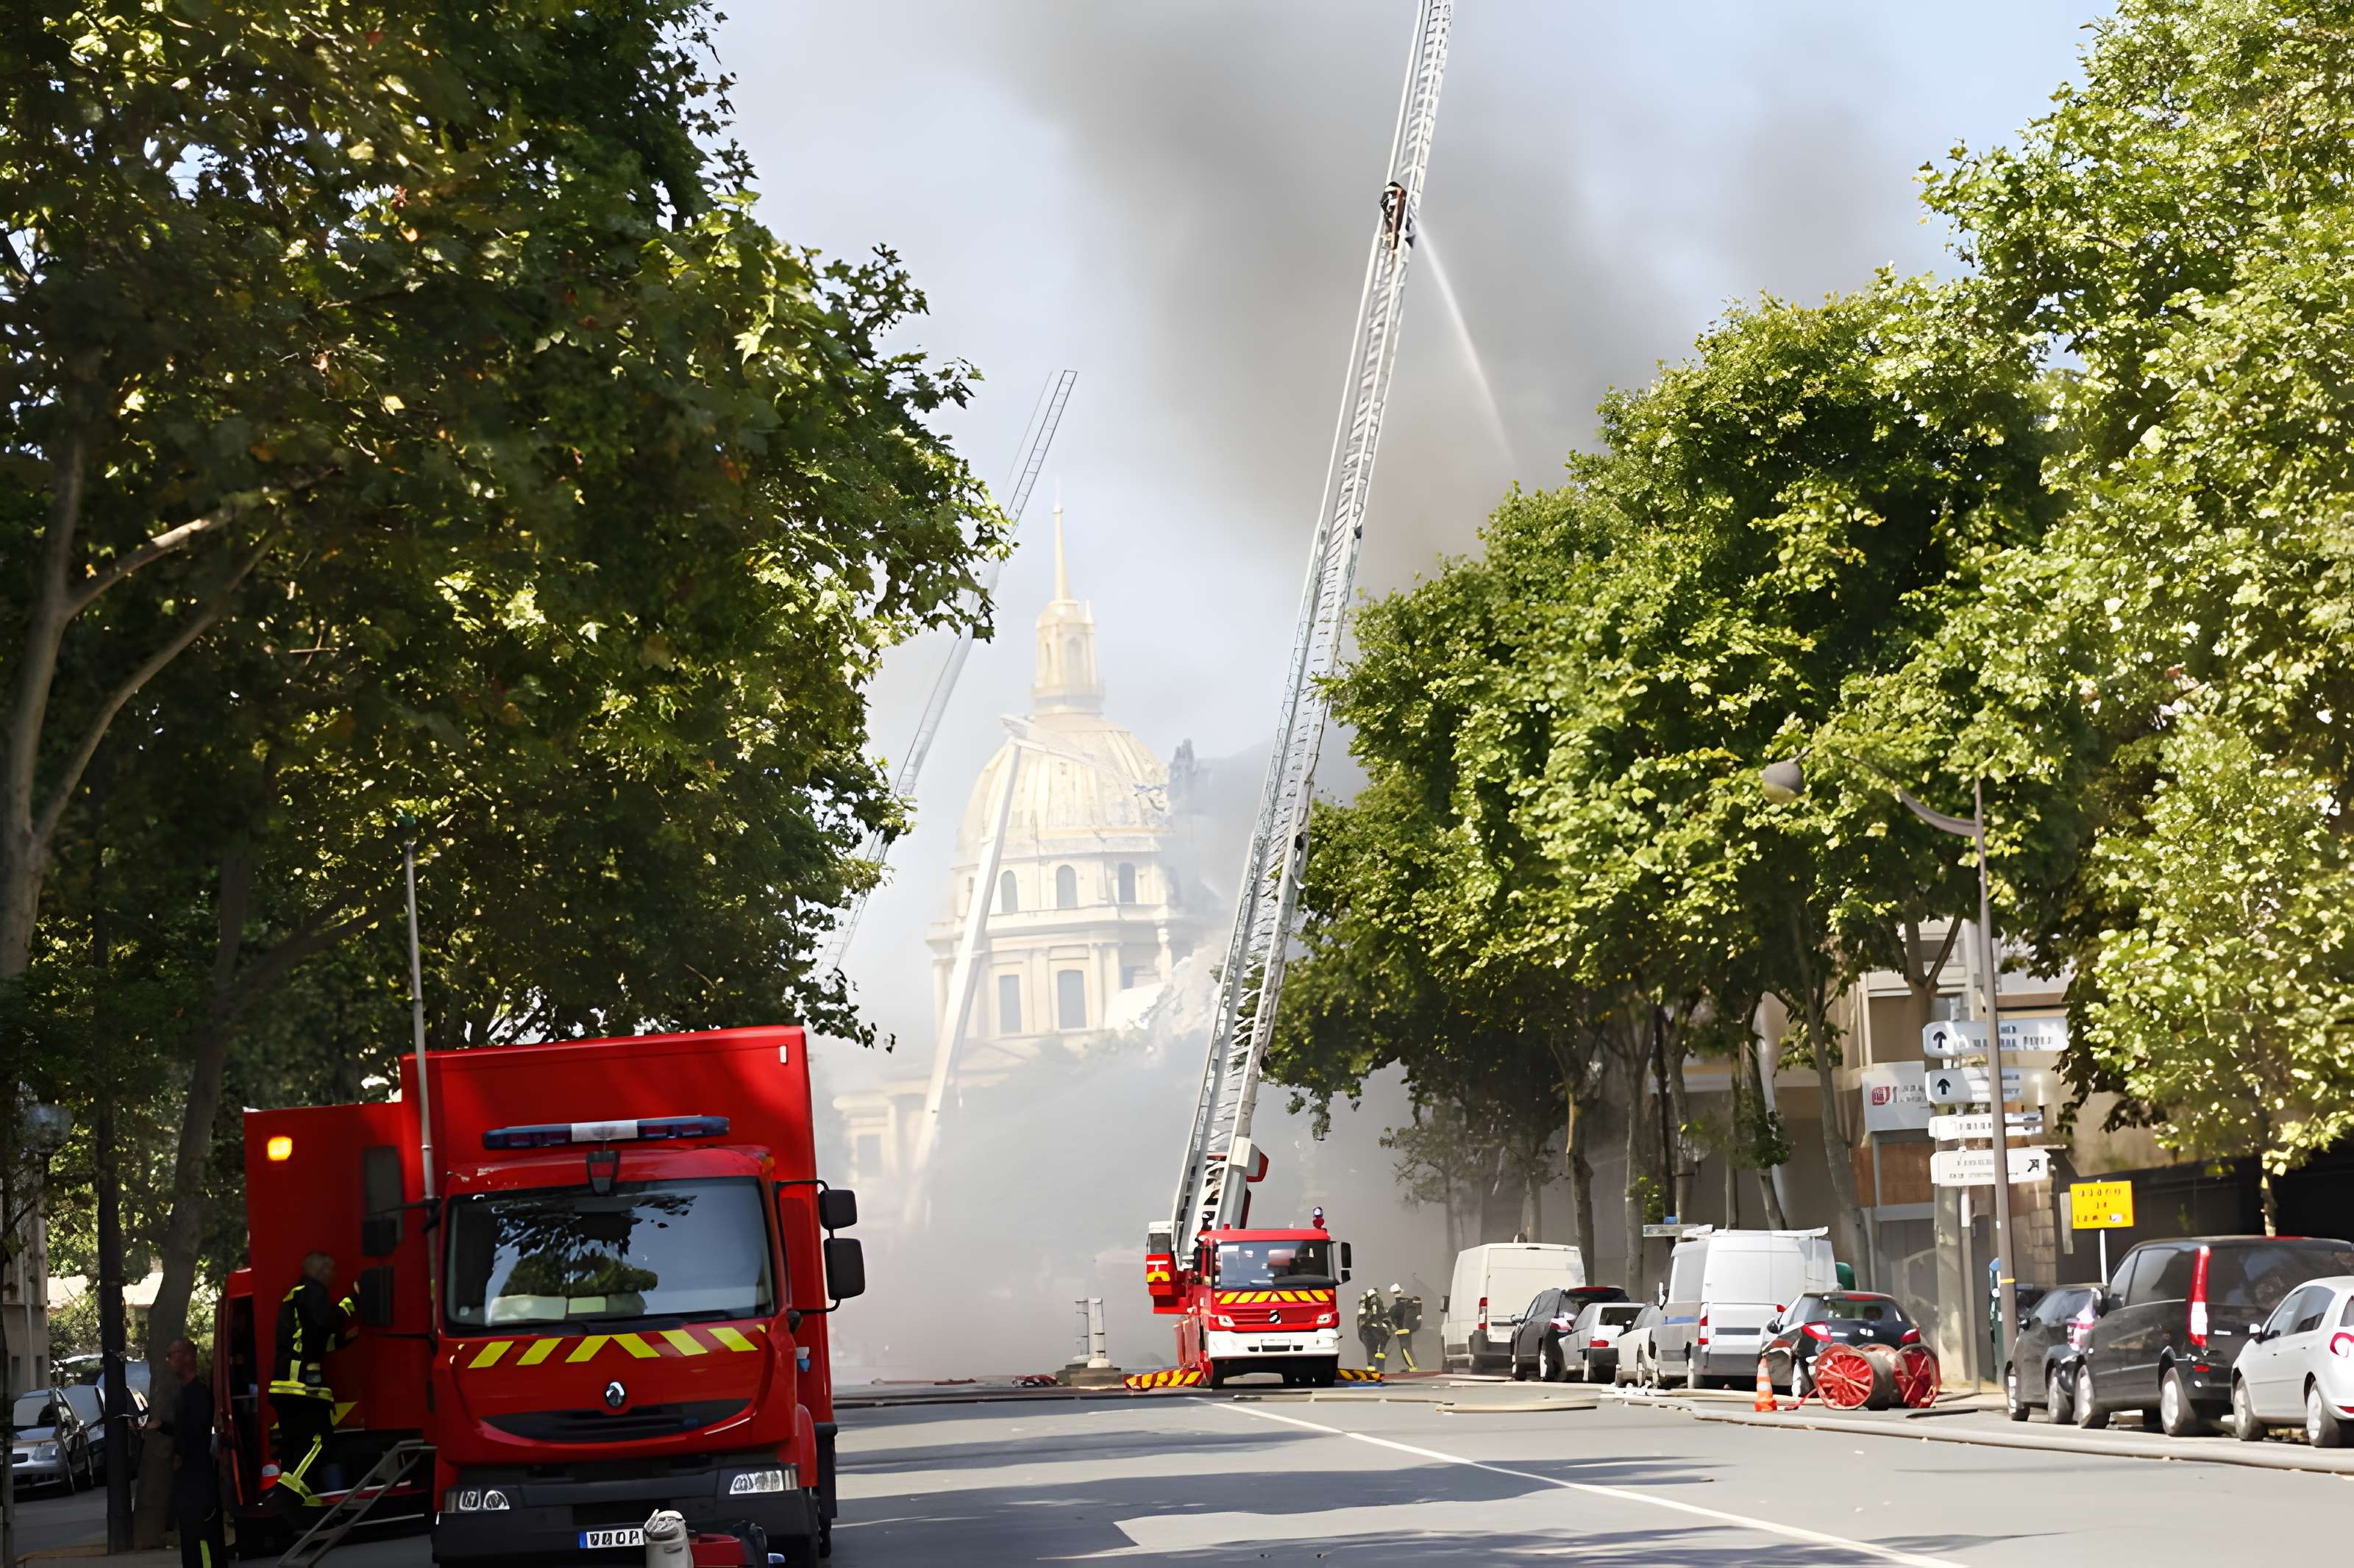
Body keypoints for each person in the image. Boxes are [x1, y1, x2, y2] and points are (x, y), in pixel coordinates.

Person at [268, 1251, 357, 1515]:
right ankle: (289, 1494)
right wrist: (354, 1300)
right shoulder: (312, 1291)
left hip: (286, 1387)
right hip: (301, 1387)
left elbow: (311, 1342)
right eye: (331, 1270)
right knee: (320, 1440)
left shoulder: (296, 1296)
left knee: (296, 1444)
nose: (334, 1276)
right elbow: (328, 1320)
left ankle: (298, 1501)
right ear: (320, 1271)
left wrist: (343, 1340)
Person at [160, 1339, 226, 1568]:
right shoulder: (186, 1392)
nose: (168, 1359)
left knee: (201, 1533)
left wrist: (181, 1456)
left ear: (188, 1357)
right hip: (190, 1478)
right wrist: (162, 1427)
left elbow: (196, 1434)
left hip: (197, 1478)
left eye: (173, 1354)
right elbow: (185, 1430)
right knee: (190, 1533)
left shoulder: (198, 1394)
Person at [1387, 1284, 1423, 1372]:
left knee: (1405, 1349)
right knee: (1407, 1348)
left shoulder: (1394, 1308)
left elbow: (1392, 1318)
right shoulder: (1408, 1304)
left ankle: (1413, 1366)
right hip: (1407, 1329)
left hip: (1401, 1331)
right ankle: (1412, 1366)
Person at [1356, 1286, 1391, 1372]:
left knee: (1371, 1350)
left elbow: (1361, 1323)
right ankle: (1377, 1368)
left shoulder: (1367, 1308)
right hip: (1375, 1331)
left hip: (1370, 1331)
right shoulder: (1377, 1305)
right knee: (1377, 1350)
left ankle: (1373, 1367)